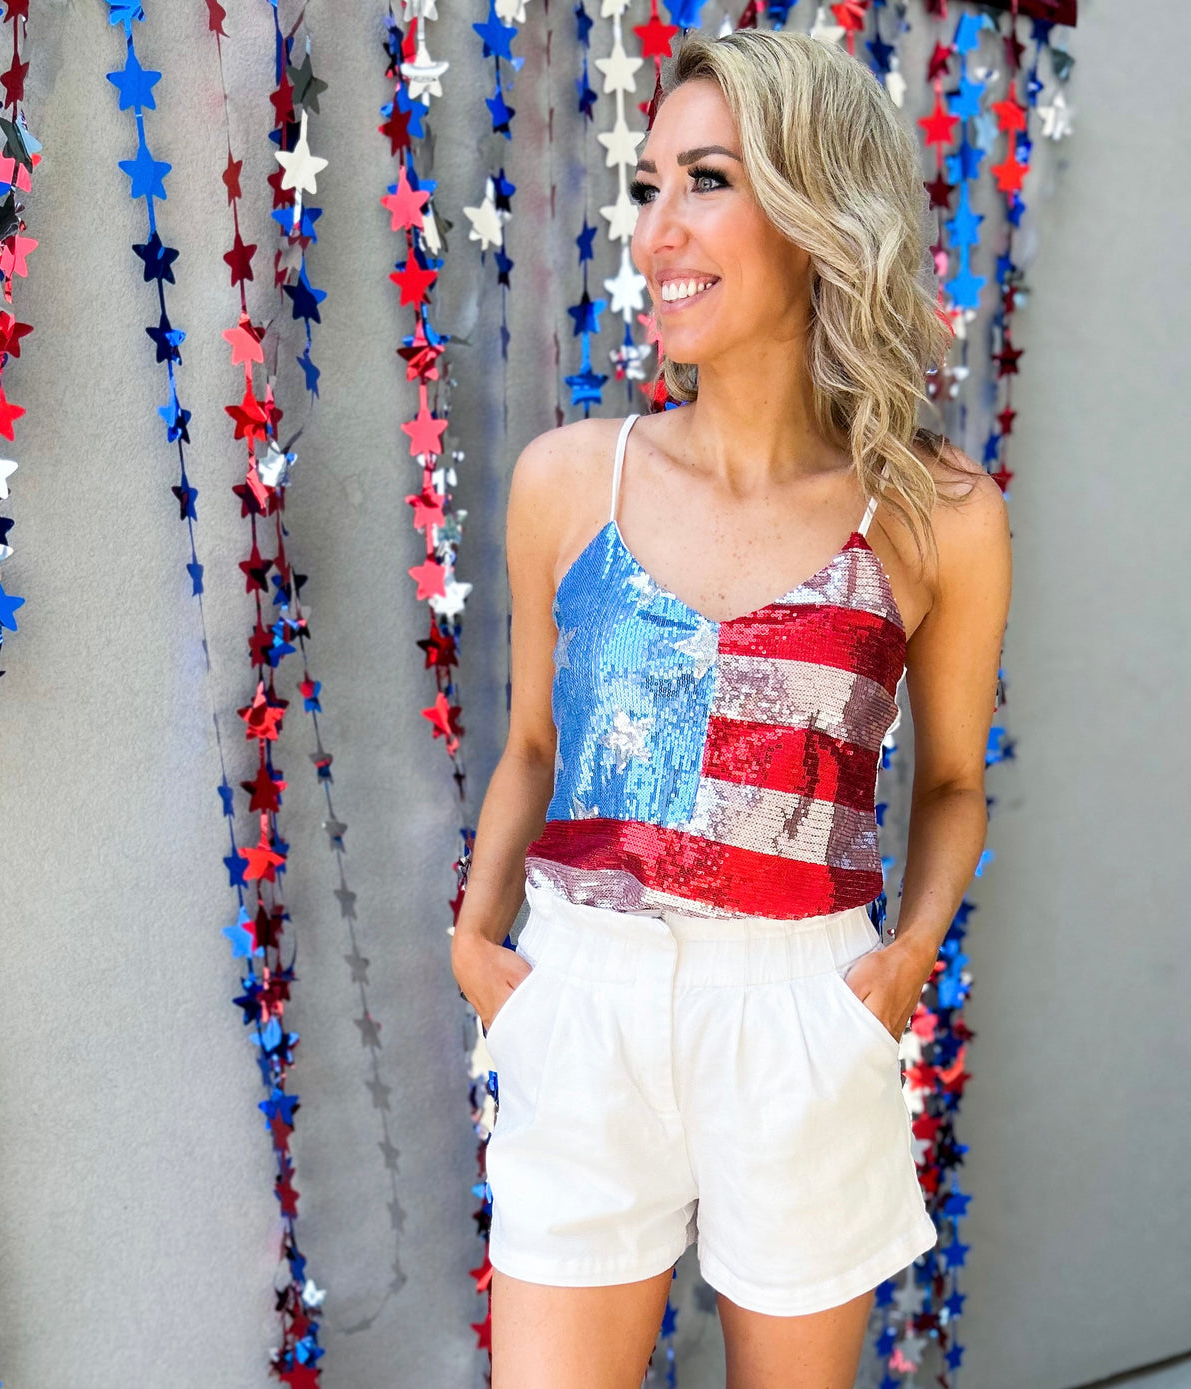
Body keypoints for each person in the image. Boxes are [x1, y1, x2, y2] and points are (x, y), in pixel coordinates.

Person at [451, 25, 1012, 1389]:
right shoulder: (572, 481)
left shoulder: (936, 515)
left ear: (819, 209)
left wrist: (899, 967)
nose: (656, 233)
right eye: (649, 189)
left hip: (801, 1008)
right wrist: (476, 943)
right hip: (581, 995)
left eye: (704, 179)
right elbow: (534, 742)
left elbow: (947, 785)